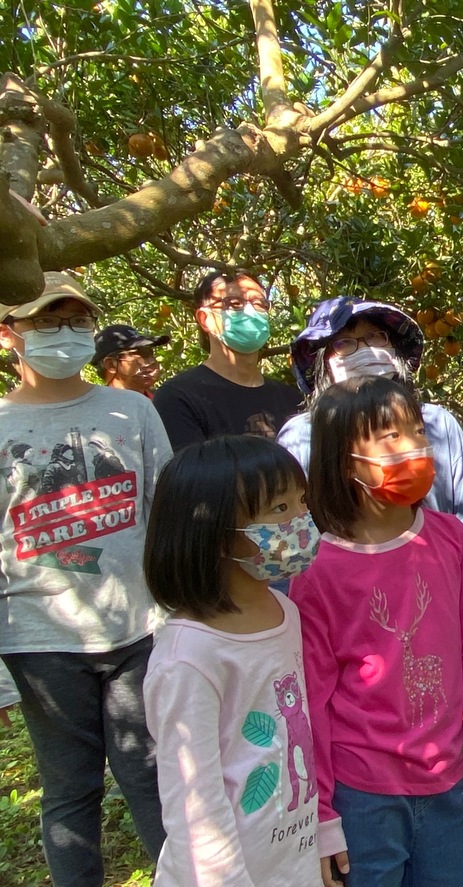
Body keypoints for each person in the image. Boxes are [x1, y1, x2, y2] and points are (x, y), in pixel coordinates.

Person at [291, 375, 463, 887]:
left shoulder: (451, 540)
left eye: (416, 431)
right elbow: (311, 702)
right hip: (362, 794)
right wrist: (321, 812)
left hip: (444, 780)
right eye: (390, 436)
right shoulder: (317, 570)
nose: (412, 446)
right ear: (345, 460)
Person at [0, 272, 169, 886]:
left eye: (76, 323)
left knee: (149, 773)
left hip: (138, 629)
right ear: (9, 334)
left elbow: (165, 514)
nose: (64, 336)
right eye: (46, 324)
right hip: (40, 639)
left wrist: (177, 615)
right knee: (70, 789)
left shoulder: (131, 411)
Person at [142, 435, 322, 885]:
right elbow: (194, 803)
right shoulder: (188, 658)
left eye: (301, 502)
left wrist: (322, 834)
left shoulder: (285, 612)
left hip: (291, 864)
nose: (301, 521)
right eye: (280, 510)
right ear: (214, 532)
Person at [279, 296, 463, 521]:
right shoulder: (302, 435)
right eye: (344, 342)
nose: (366, 350)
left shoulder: (438, 423)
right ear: (324, 362)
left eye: (375, 337)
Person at [154, 270, 302, 448]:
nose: (250, 312)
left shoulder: (291, 397)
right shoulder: (178, 397)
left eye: (259, 304)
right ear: (204, 318)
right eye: (234, 304)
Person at [92, 323, 169, 396]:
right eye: (139, 353)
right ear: (111, 365)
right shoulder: (100, 408)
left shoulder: (163, 400)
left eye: (149, 352)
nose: (149, 363)